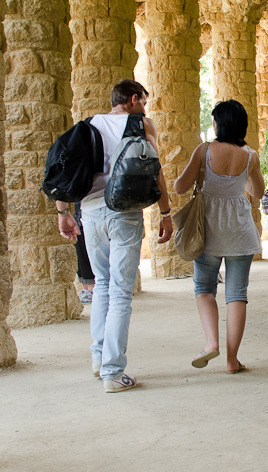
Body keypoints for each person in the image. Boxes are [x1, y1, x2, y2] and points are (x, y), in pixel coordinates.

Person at [56, 79, 174, 392]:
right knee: (121, 291)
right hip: (125, 212)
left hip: (91, 212)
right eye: (144, 102)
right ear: (133, 99)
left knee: (103, 285)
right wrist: (165, 212)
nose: (145, 108)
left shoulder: (89, 125)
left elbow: (64, 168)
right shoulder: (142, 124)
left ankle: (98, 358)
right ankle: (113, 372)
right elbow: (156, 170)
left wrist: (62, 212)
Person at [175, 99, 264, 373]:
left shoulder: (204, 151)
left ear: (219, 123)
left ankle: (211, 343)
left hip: (208, 233)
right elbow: (257, 192)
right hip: (240, 232)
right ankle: (231, 361)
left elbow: (180, 187)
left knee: (204, 289)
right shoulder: (251, 155)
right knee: (237, 295)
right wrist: (240, 179)